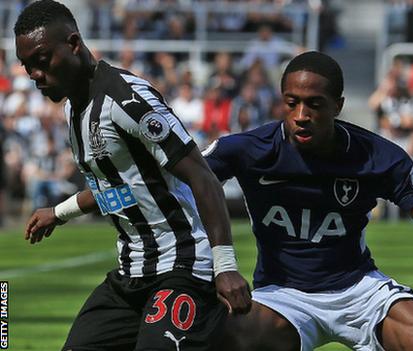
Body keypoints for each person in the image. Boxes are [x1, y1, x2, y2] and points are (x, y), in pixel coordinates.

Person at [203, 51, 413, 351]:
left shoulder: (378, 157)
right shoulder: (248, 149)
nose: (301, 115)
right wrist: (221, 264)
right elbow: (186, 180)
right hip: (282, 294)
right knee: (224, 340)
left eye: (315, 104)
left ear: (338, 106)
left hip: (358, 289)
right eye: (292, 103)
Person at [14, 1, 251, 350]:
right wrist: (59, 213)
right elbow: (118, 186)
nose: (34, 75)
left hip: (182, 267)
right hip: (131, 276)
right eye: (27, 66)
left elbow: (203, 177)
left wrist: (225, 266)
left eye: (42, 60)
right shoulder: (72, 110)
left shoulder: (127, 101)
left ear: (74, 44)